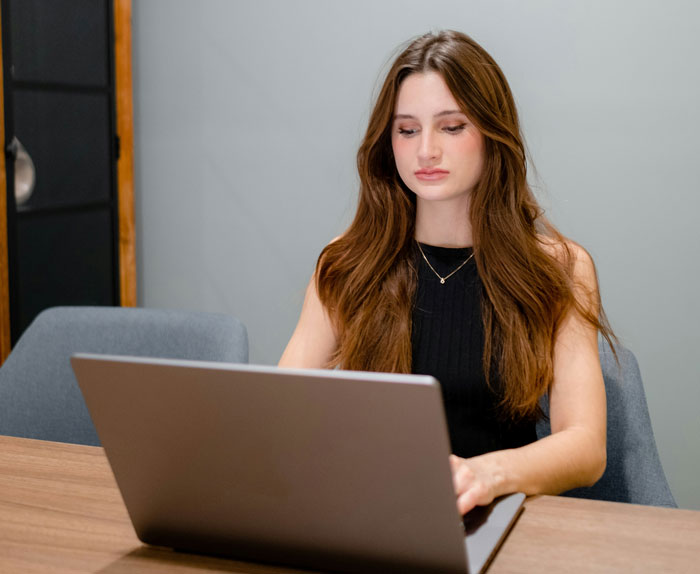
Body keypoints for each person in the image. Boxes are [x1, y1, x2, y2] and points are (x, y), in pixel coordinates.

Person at [279, 30, 614, 515]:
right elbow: (283, 411)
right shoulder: (346, 263)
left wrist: (486, 474)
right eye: (407, 130)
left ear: (492, 135)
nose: (426, 151)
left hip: (494, 518)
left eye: (452, 127)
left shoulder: (559, 269)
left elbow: (585, 446)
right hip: (370, 515)